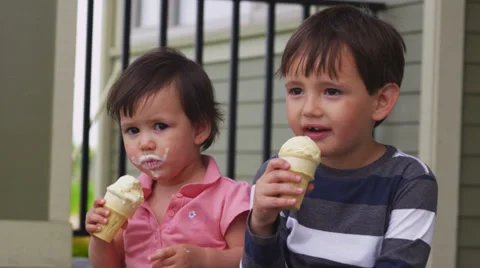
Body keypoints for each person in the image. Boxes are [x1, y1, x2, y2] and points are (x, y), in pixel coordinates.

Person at [242, 5, 437, 268]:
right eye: (296, 90)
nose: (309, 109)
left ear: (380, 101)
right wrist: (261, 224)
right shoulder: (276, 175)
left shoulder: (409, 180)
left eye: (331, 91)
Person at [85, 47, 251, 268]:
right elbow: (108, 265)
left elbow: (250, 258)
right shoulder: (131, 202)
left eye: (160, 126)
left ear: (199, 129)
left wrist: (203, 259)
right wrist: (100, 237)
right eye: (132, 130)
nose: (145, 143)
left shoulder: (229, 198)